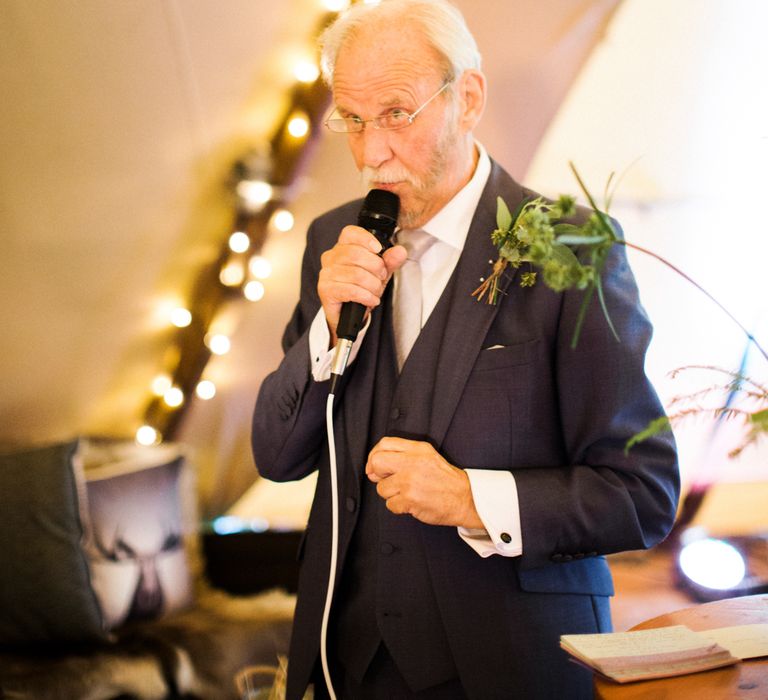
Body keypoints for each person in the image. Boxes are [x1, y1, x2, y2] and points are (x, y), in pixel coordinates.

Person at [251, 1, 679, 698]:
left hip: (512, 664)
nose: (369, 153)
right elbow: (277, 456)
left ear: (468, 98)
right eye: (352, 121)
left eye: (396, 113)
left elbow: (642, 493)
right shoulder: (332, 241)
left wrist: (471, 498)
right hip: (345, 665)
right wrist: (325, 331)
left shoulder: (572, 248)